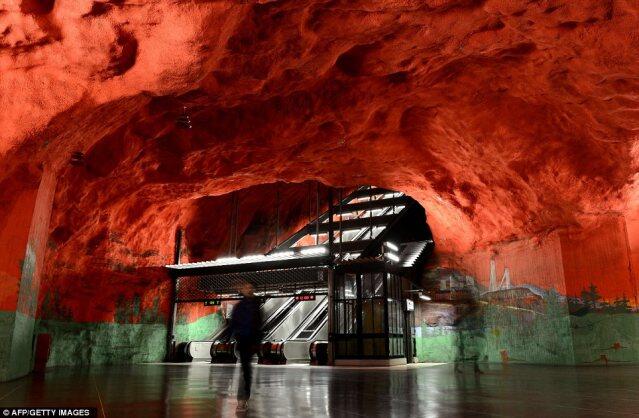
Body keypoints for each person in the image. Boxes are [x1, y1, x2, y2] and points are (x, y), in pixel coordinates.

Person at [229, 282, 263, 412]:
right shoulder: (239, 307)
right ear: (242, 290)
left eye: (250, 288)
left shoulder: (256, 306)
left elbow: (259, 325)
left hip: (252, 342)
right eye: (245, 288)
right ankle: (242, 400)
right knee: (246, 371)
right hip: (243, 342)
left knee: (246, 371)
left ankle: (243, 398)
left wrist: (257, 342)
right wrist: (229, 338)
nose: (248, 289)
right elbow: (233, 324)